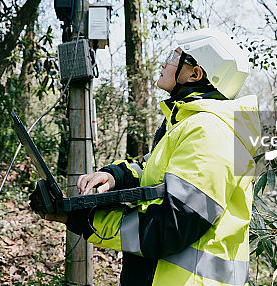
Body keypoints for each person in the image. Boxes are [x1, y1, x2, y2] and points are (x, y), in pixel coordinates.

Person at [32, 28, 261, 286]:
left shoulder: (211, 132)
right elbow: (154, 167)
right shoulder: (191, 124)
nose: (164, 63)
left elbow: (171, 226)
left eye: (174, 57)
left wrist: (81, 218)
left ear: (195, 74)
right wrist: (113, 176)